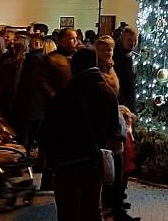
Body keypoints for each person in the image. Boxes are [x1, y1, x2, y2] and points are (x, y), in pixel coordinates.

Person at [42, 47, 119, 221]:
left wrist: (52, 159)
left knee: (69, 211)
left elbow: (48, 130)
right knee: (92, 210)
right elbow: (113, 127)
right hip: (93, 160)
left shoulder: (65, 94)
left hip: (67, 163)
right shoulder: (108, 93)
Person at [13, 32, 46, 155]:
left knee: (25, 134)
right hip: (35, 105)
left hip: (29, 104)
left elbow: (28, 85)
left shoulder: (34, 60)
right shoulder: (37, 58)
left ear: (37, 43)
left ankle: (23, 159)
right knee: (29, 135)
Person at [0, 35, 28, 122]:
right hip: (1, 93)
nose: (12, 42)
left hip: (9, 97)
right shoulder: (8, 58)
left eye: (15, 40)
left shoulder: (22, 62)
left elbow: (15, 82)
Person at [113, 26, 138, 112]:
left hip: (129, 99)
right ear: (122, 38)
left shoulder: (130, 54)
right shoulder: (115, 55)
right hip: (120, 100)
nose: (132, 43)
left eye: (134, 40)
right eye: (129, 40)